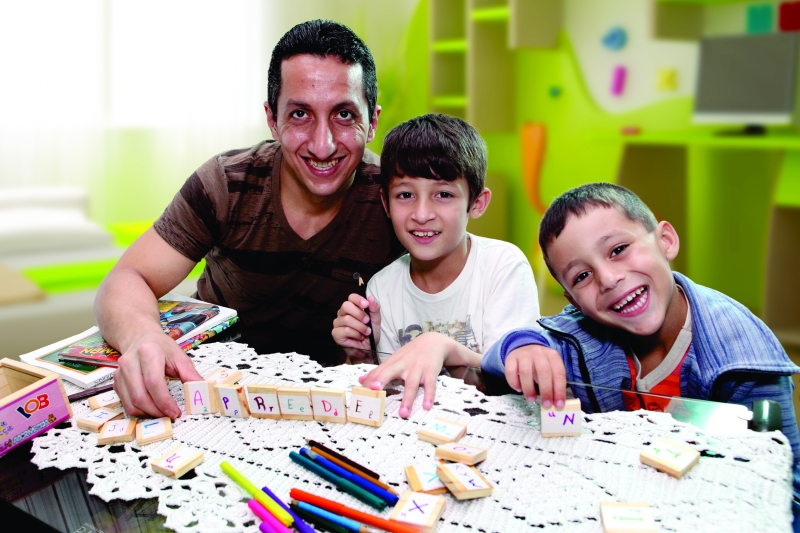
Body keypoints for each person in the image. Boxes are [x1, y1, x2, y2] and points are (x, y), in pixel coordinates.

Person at [94, 20, 403, 418]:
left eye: (344, 114)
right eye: (300, 115)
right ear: (272, 119)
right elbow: (125, 279)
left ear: (373, 121)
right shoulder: (225, 182)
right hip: (206, 394)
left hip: (334, 405)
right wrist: (143, 338)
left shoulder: (397, 200)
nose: (323, 145)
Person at [481, 182, 800, 499]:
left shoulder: (742, 355)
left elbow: (785, 480)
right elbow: (493, 363)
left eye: (618, 250)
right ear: (574, 301)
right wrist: (523, 346)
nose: (608, 279)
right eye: (582, 276)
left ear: (666, 241)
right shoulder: (582, 332)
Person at [332, 114, 539, 417]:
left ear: (477, 202)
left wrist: (442, 346)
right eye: (405, 195)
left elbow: (513, 381)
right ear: (386, 204)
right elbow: (391, 395)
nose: (422, 213)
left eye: (443, 194)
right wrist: (361, 355)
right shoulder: (382, 287)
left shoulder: (503, 266)